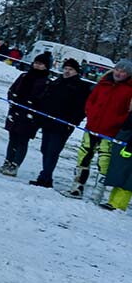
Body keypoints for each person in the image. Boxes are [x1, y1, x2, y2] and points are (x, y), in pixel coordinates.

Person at [66, 59, 132, 201]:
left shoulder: (129, 90)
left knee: (104, 161)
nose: (119, 73)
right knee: (83, 156)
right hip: (91, 128)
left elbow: (129, 112)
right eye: (117, 70)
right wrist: (90, 112)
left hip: (110, 133)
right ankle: (77, 186)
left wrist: (117, 121)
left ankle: (99, 191)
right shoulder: (103, 83)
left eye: (123, 72)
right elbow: (91, 100)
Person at [30, 57, 92, 188]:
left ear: (76, 71)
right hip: (48, 121)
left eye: (70, 69)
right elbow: (46, 99)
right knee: (45, 149)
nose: (67, 71)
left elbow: (81, 109)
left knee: (53, 151)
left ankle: (45, 177)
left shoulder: (80, 87)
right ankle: (46, 175)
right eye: (66, 69)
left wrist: (73, 122)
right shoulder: (57, 82)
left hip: (63, 125)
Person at [0, 52, 51, 176]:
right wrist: (12, 99)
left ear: (46, 66)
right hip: (16, 111)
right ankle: (8, 161)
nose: (37, 66)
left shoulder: (46, 82)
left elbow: (44, 100)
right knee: (12, 139)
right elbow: (12, 90)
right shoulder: (23, 76)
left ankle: (15, 164)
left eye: (41, 64)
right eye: (36, 63)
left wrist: (32, 106)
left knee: (22, 141)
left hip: (30, 116)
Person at [102, 115, 132, 211]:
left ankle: (118, 205)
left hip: (129, 141)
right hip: (126, 136)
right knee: (120, 173)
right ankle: (112, 201)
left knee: (128, 176)